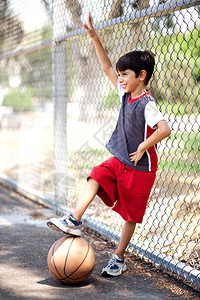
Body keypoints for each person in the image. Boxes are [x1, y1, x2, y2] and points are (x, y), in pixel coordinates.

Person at [47, 13, 171, 277]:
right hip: (119, 160)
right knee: (96, 174)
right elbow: (105, 67)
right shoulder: (124, 93)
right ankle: (74, 219)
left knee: (130, 215)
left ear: (141, 75)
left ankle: (118, 257)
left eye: (125, 74)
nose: (120, 79)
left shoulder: (148, 104)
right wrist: (94, 37)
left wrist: (144, 145)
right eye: (120, 75)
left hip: (140, 167)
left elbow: (165, 129)